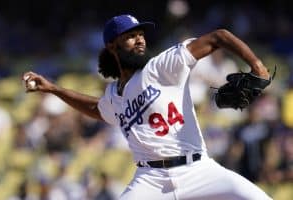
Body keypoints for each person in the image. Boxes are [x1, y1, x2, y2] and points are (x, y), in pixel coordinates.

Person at [23, 14, 272, 200]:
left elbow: (219, 37)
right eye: (130, 36)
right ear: (112, 46)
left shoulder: (161, 67)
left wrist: (257, 66)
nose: (139, 39)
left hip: (198, 170)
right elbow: (98, 109)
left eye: (140, 34)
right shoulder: (112, 95)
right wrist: (53, 89)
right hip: (150, 181)